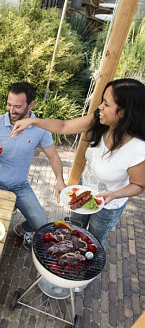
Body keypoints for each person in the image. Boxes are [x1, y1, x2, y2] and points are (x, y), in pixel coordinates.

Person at [10, 78, 145, 248]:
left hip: (108, 204)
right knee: (74, 229)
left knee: (92, 241)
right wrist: (32, 121)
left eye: (106, 104)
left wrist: (115, 195)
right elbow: (64, 126)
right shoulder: (99, 121)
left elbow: (139, 185)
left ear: (123, 112)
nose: (100, 107)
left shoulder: (137, 148)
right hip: (84, 188)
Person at [0, 82, 66, 250]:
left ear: (30, 105)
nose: (11, 111)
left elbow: (54, 157)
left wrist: (60, 180)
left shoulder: (40, 128)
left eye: (17, 106)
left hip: (19, 186)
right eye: (9, 105)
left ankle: (21, 229)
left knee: (41, 225)